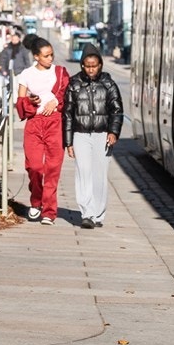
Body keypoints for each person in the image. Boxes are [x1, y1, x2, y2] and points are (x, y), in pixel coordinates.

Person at [63, 50, 122, 229]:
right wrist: (68, 142)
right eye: (87, 66)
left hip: (102, 135)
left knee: (99, 175)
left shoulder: (109, 84)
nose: (90, 70)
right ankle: (87, 214)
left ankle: (98, 214)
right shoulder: (74, 84)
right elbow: (67, 114)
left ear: (100, 65)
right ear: (82, 66)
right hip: (80, 135)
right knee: (83, 173)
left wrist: (113, 132)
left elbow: (117, 111)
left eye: (94, 66)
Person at [14, 37, 68, 225]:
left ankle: (49, 211)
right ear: (36, 57)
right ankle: (36, 202)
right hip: (35, 123)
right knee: (35, 167)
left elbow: (68, 95)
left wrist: (56, 102)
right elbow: (20, 103)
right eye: (46, 56)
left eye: (51, 54)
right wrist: (31, 102)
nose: (50, 59)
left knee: (53, 169)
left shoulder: (60, 72)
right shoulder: (26, 75)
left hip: (55, 122)